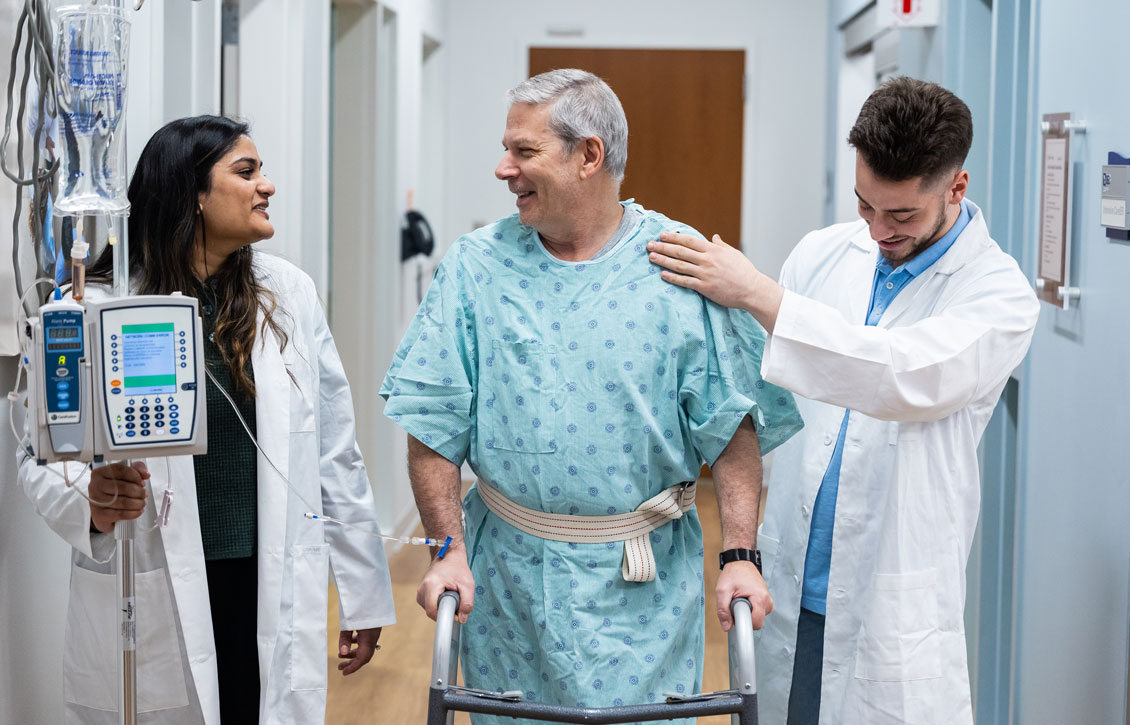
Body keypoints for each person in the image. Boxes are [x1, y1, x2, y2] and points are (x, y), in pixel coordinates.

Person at [380, 68, 803, 722]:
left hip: (645, 591)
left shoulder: (680, 265)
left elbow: (734, 430)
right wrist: (446, 551)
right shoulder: (474, 269)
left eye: (523, 151)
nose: (503, 168)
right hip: (508, 589)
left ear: (588, 156)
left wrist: (740, 556)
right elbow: (431, 427)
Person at [645, 77, 1040, 724]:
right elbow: (767, 394)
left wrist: (759, 293)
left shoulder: (998, 297)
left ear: (956, 188)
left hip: (890, 598)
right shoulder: (826, 253)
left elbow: (898, 375)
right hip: (794, 580)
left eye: (903, 215)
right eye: (865, 206)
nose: (879, 229)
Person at [19, 115, 395, 724]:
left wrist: (363, 594)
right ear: (191, 194)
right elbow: (40, 456)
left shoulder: (288, 294)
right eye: (246, 172)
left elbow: (333, 453)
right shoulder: (95, 306)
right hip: (152, 579)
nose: (266, 186)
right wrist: (91, 500)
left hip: (266, 580)